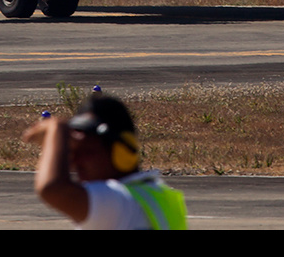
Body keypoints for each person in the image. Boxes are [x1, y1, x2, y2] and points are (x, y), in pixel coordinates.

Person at [21, 93, 187, 229]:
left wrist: (57, 128)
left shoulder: (117, 201)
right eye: (74, 153)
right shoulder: (154, 196)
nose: (75, 162)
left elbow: (52, 189)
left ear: (121, 152)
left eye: (88, 152)